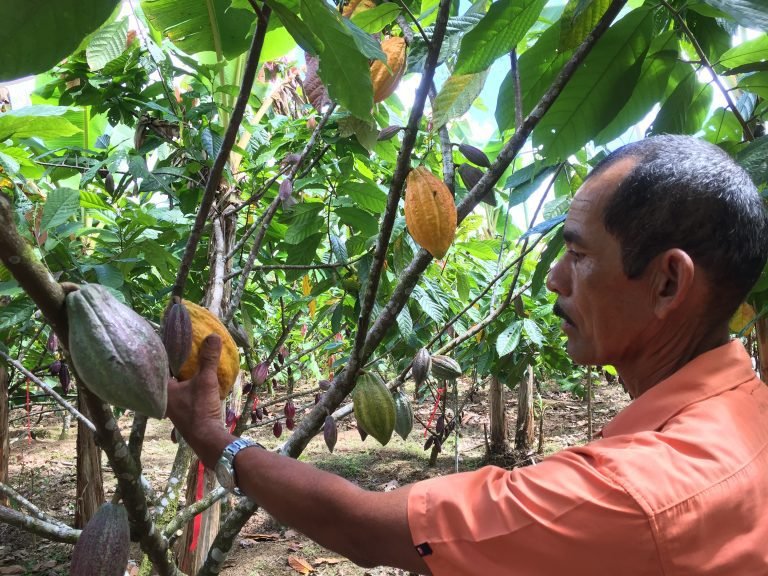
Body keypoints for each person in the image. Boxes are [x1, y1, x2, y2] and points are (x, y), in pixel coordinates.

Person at [166, 135, 768, 575]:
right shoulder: (749, 410)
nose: (555, 278)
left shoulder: (629, 495)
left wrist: (216, 439)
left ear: (668, 283)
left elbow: (364, 527)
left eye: (580, 257)